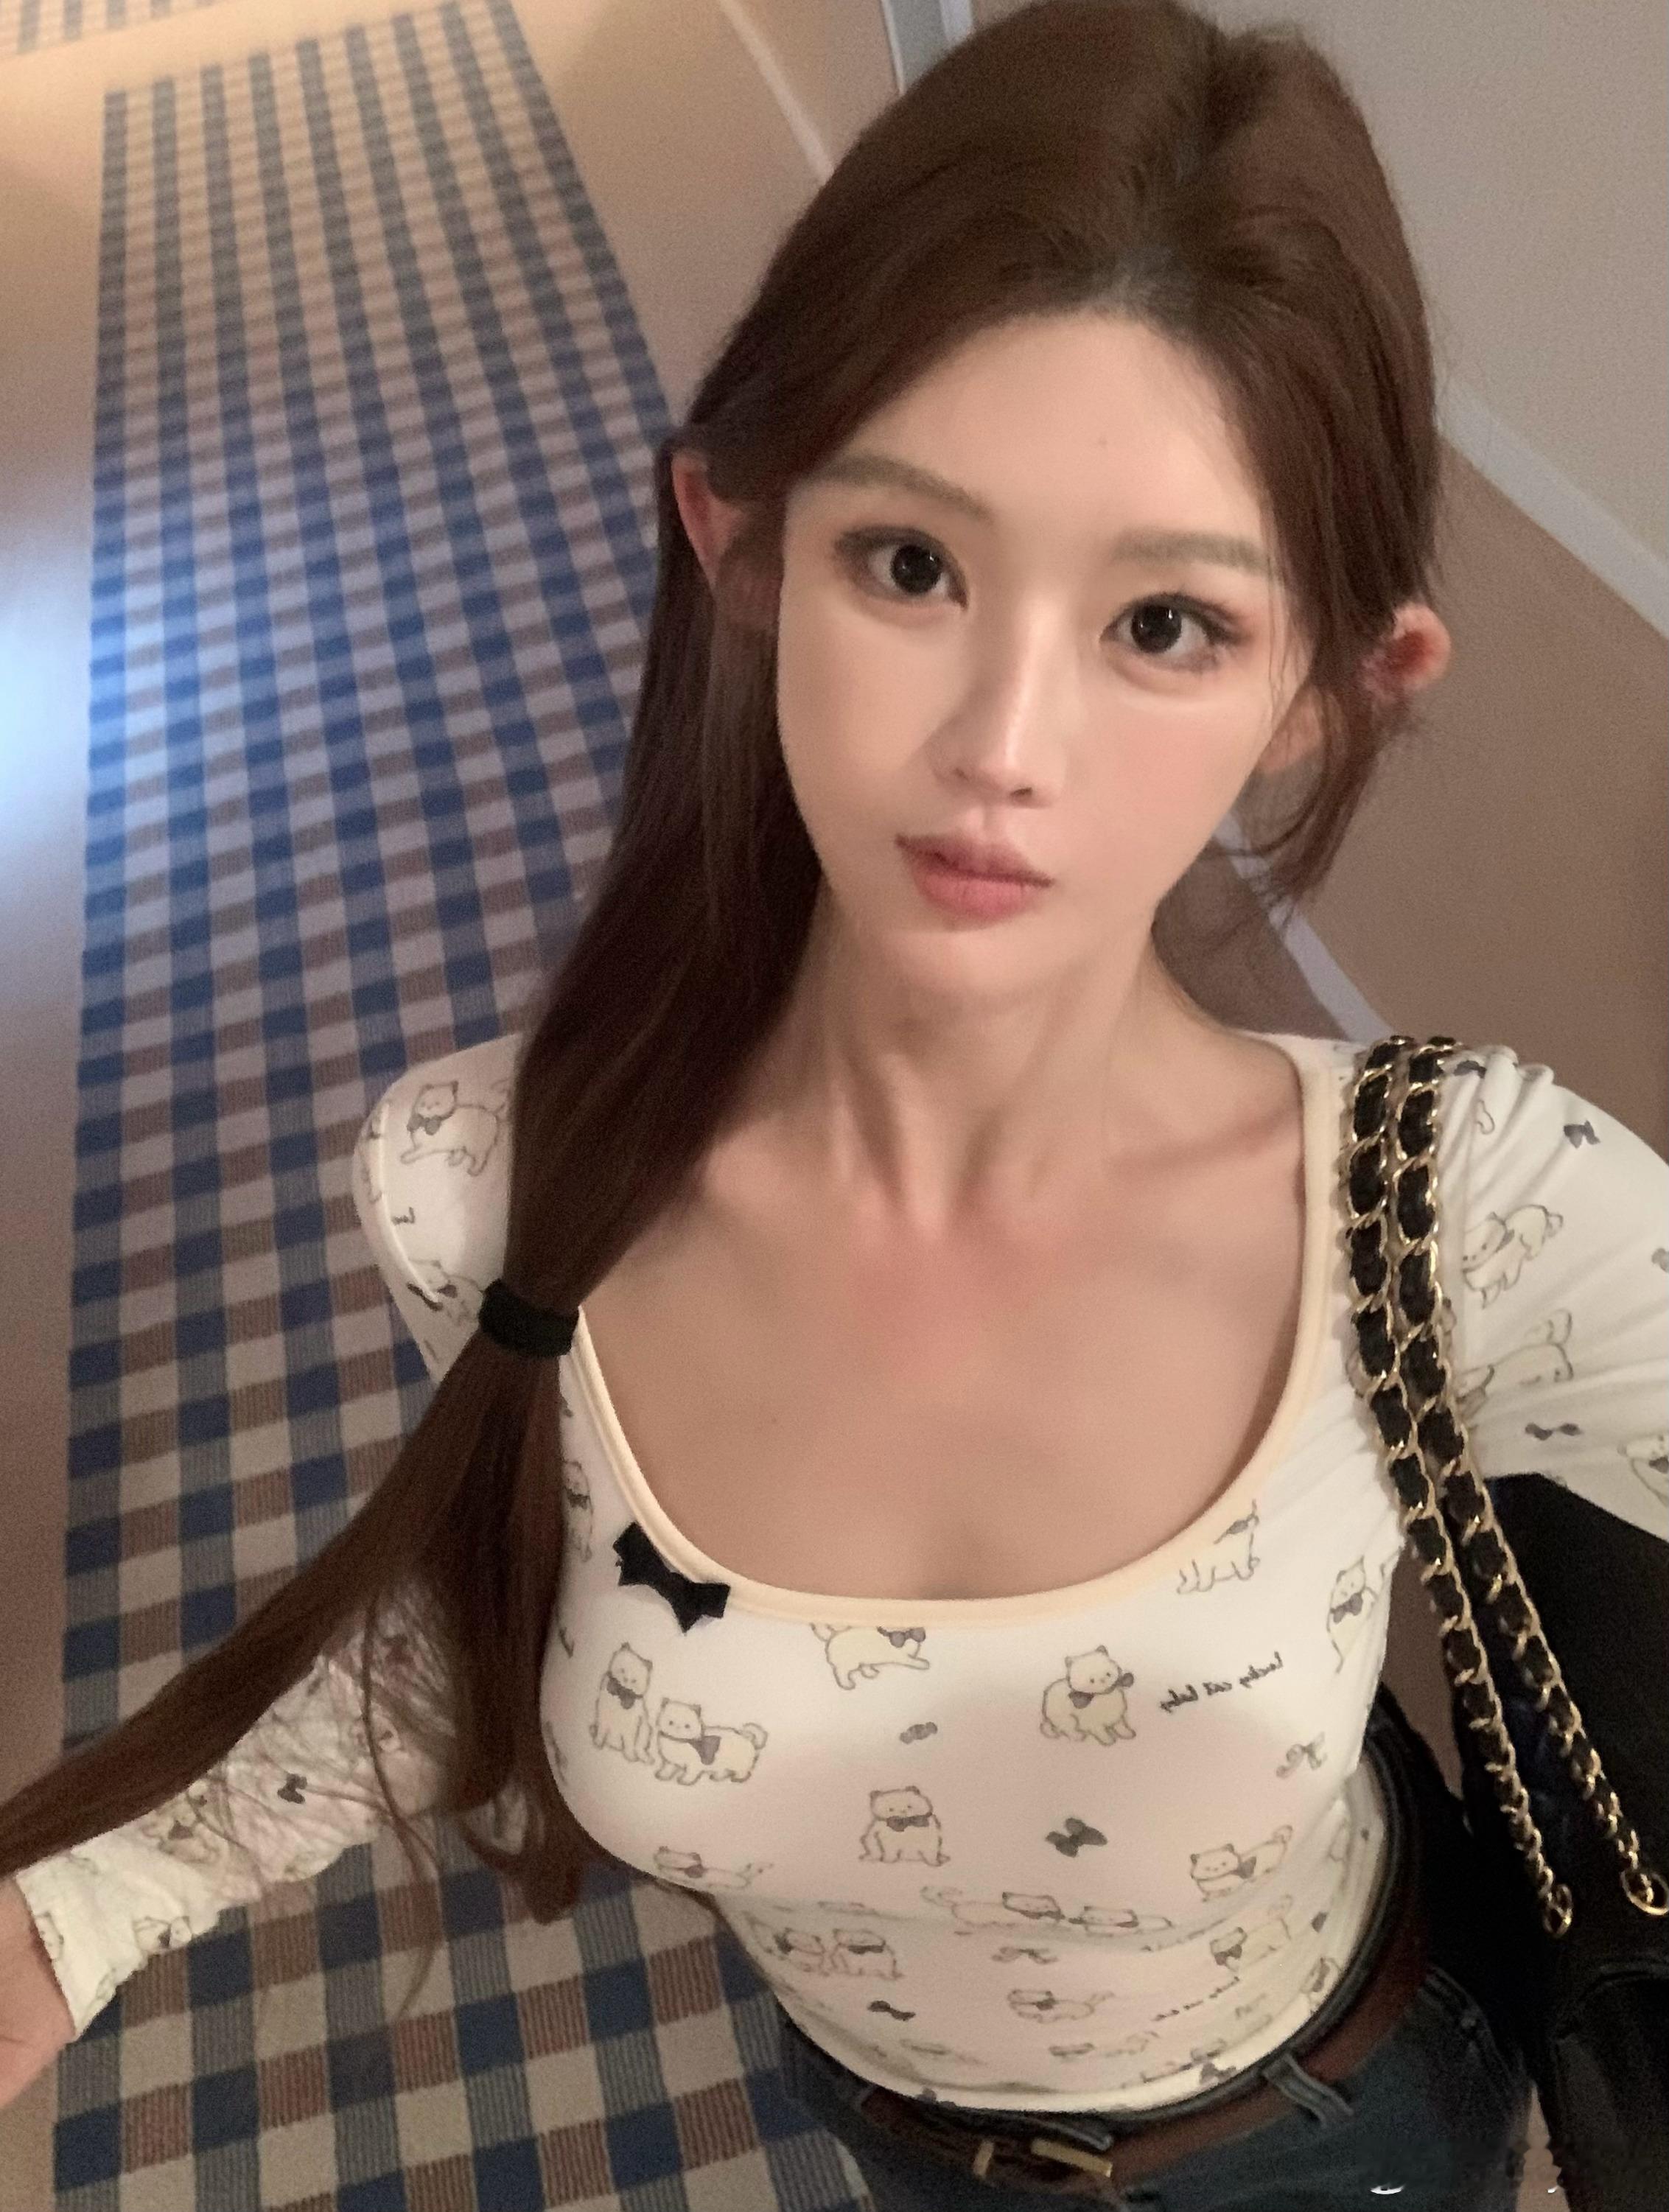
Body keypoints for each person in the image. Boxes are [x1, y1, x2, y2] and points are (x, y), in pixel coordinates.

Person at [2, 5, 1664, 2208]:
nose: (1000, 747)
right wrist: (78, 1905)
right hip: (883, 2121)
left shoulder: (1469, 1214)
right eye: (910, 565)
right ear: (743, 544)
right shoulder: (483, 1183)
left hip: (1341, 2135)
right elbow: (499, 1578)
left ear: (1329, 690)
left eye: (1166, 622)